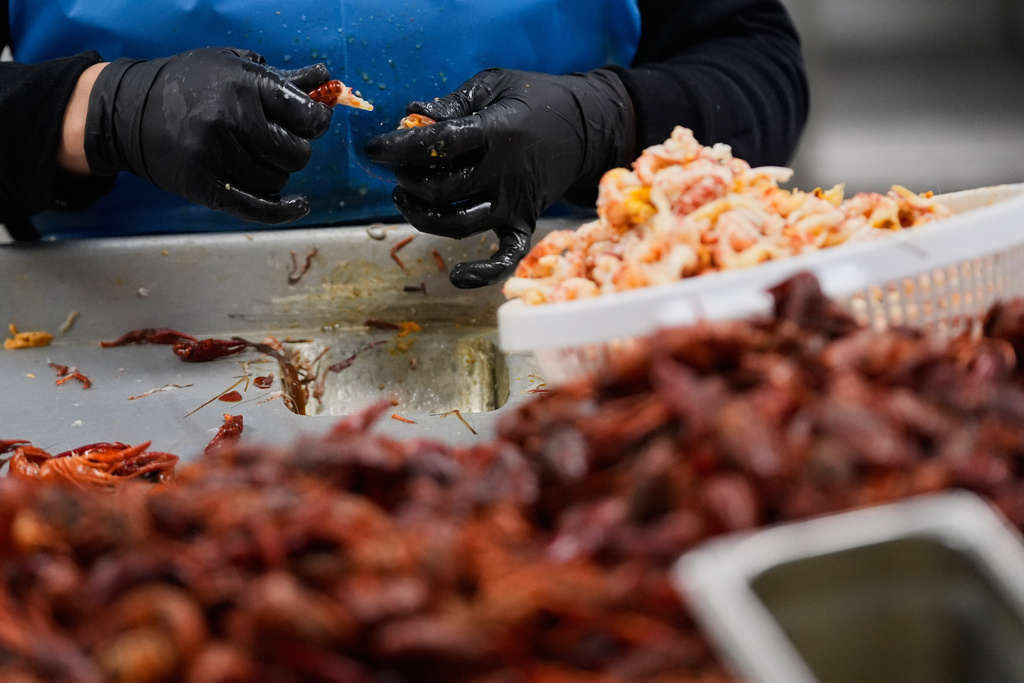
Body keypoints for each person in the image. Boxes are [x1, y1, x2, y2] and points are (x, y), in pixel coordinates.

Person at [0, 0, 808, 289]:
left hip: (546, 323)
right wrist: (95, 108)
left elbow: (756, 62)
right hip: (108, 341)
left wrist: (610, 118)